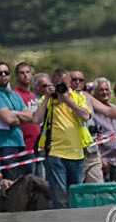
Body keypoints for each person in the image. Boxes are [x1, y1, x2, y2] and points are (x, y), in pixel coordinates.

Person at [32, 68, 92, 209]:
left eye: (64, 83)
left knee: (75, 197)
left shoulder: (77, 97)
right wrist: (47, 96)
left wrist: (66, 100)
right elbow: (36, 119)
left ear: (69, 83)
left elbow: (85, 116)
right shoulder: (47, 99)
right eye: (58, 83)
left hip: (76, 153)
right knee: (60, 199)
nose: (61, 86)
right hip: (55, 153)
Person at [0, 62, 34, 180]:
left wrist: (15, 114)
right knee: (10, 185)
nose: (3, 75)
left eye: (6, 73)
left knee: (23, 185)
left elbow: (31, 117)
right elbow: (8, 119)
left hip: (19, 143)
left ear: (10, 75)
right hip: (4, 146)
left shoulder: (15, 95)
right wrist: (19, 116)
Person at [90, 77, 116, 182]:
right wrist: (101, 161)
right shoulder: (92, 113)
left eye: (107, 89)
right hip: (103, 164)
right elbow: (91, 138)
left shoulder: (115, 110)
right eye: (101, 90)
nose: (104, 92)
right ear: (94, 93)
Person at [12, 62, 44, 179]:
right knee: (29, 182)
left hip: (38, 145)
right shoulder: (15, 94)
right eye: (22, 73)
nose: (25, 75)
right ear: (16, 76)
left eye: (27, 72)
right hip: (26, 145)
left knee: (41, 183)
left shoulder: (32, 95)